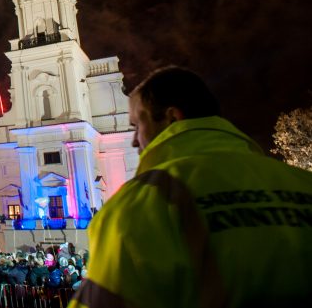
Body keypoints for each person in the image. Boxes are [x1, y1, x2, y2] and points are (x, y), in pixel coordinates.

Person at [70, 66, 312, 308]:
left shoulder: (138, 207)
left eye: (137, 124)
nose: (134, 139)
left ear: (172, 117)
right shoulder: (301, 182)